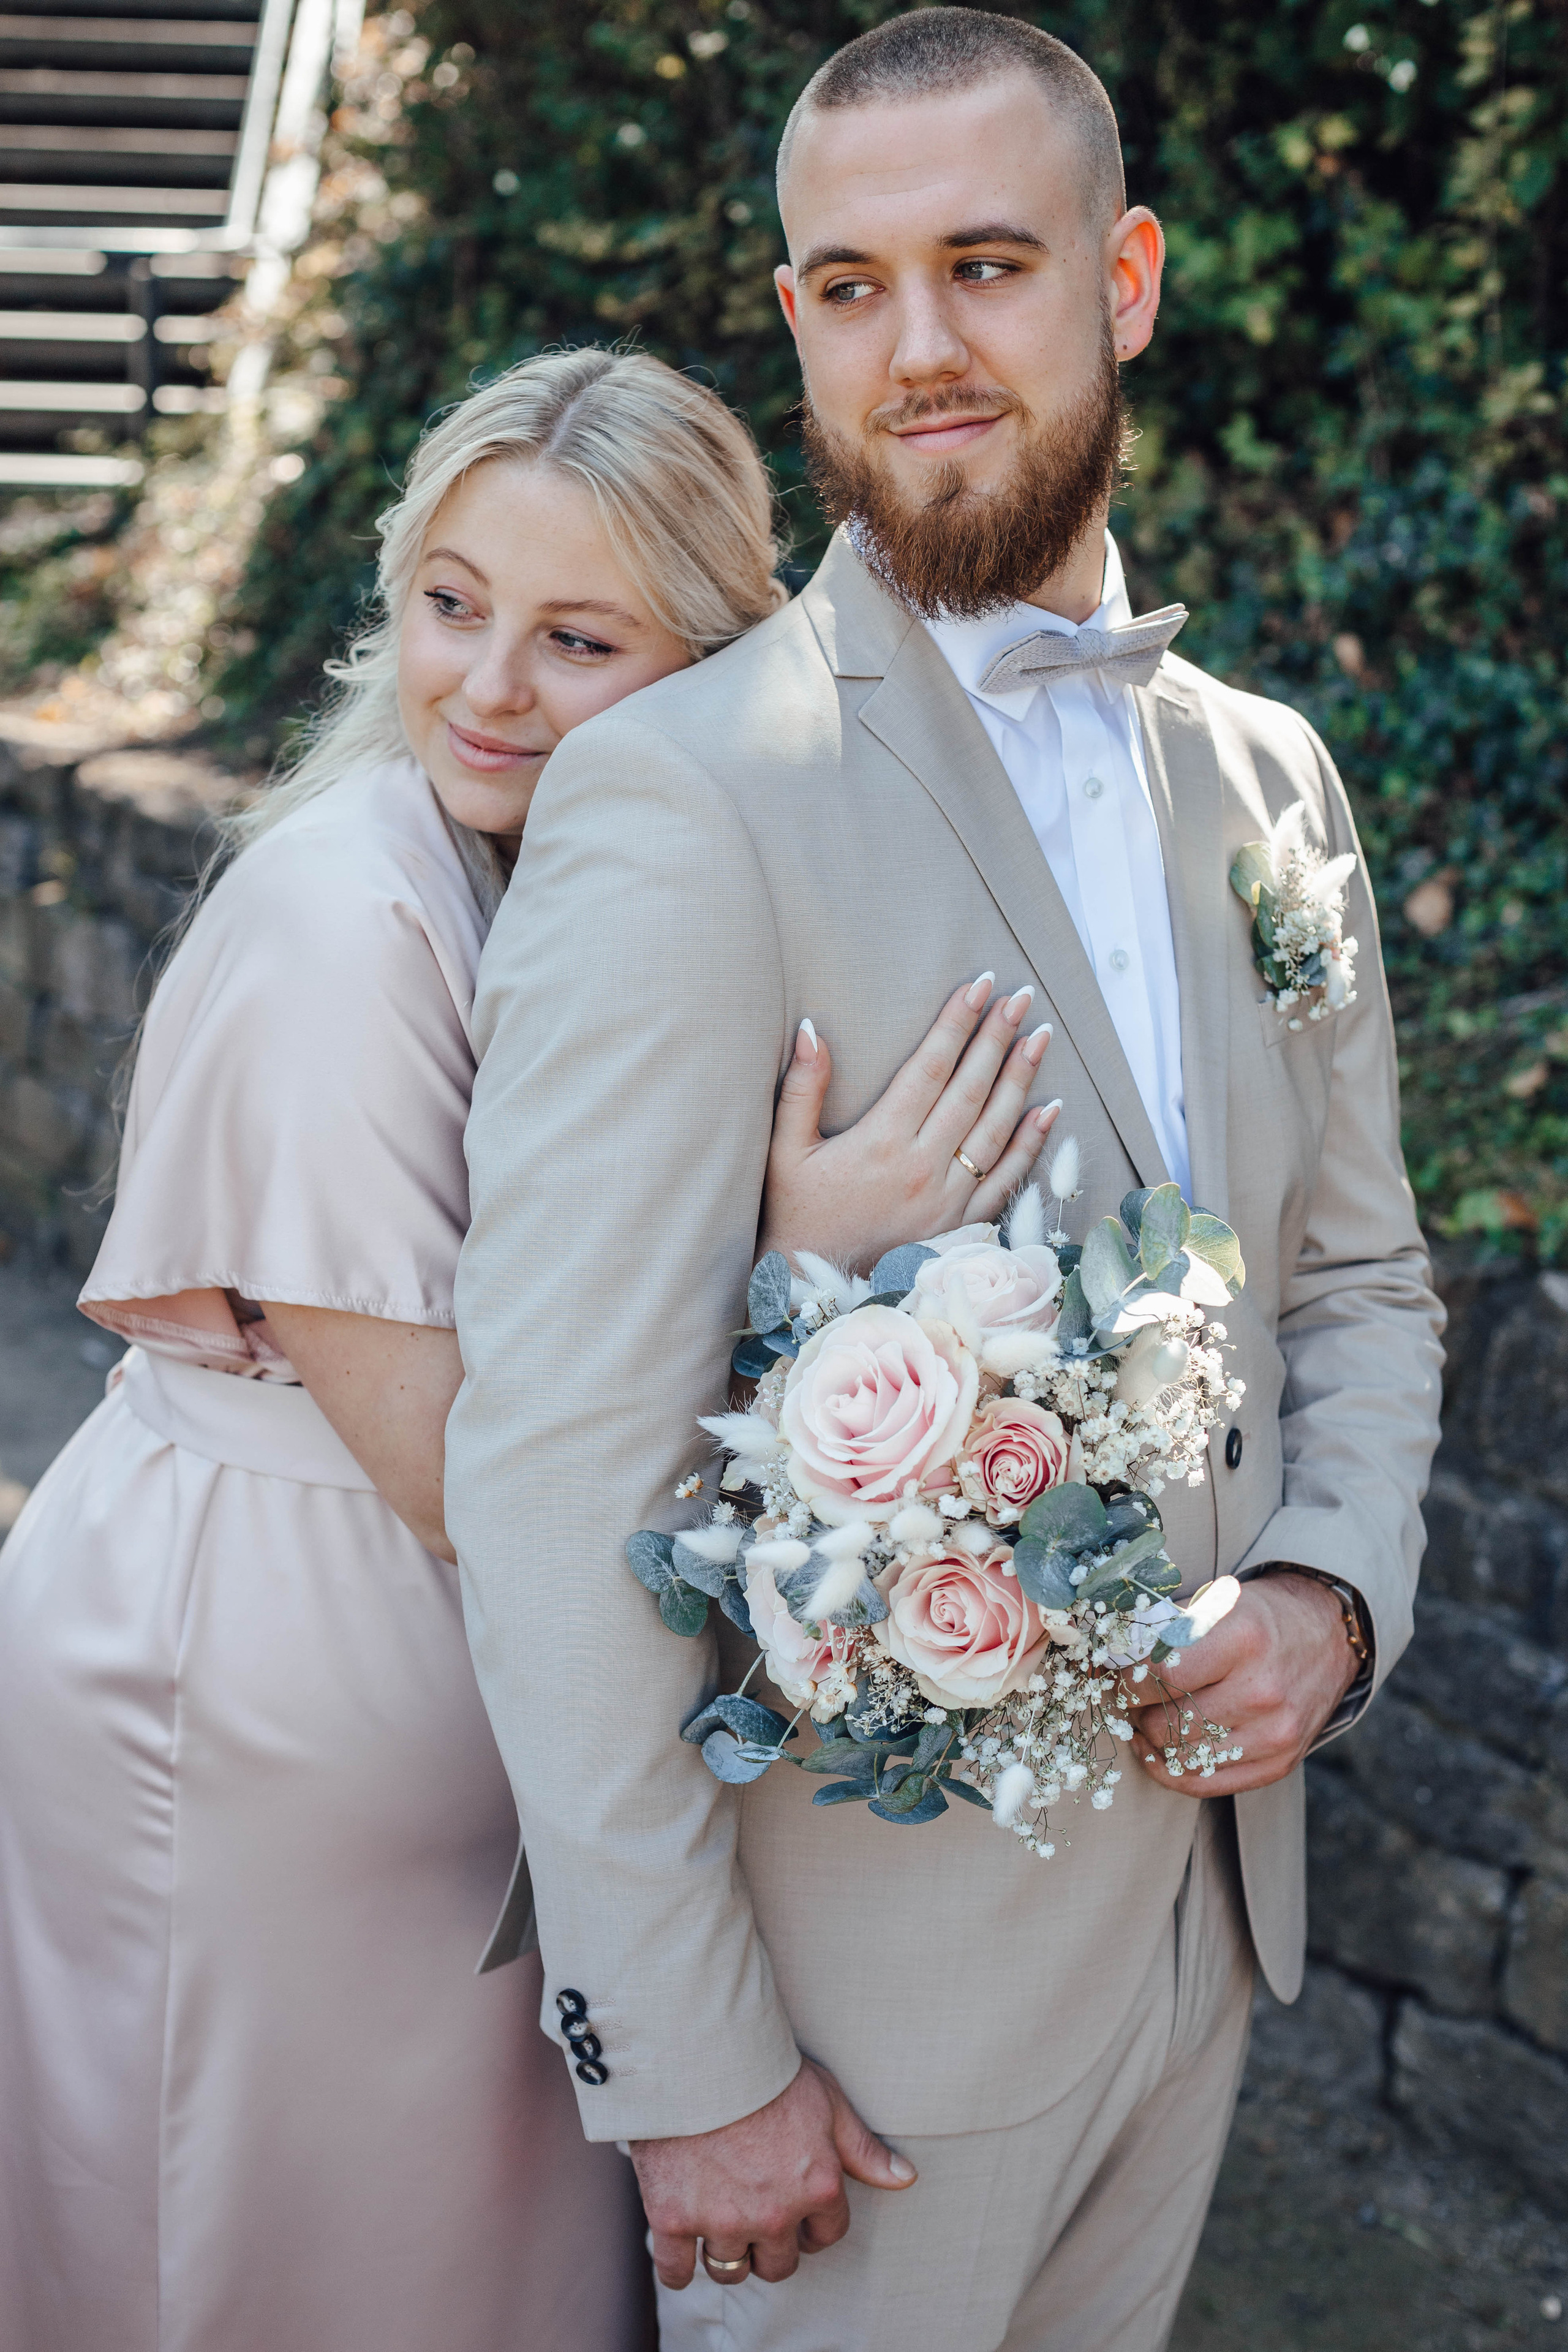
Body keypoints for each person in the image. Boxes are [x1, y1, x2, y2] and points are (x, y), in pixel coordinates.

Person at [447, 17, 1447, 2352]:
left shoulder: (1272, 782)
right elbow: (552, 1459)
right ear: (791, 315)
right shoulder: (683, 799)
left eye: (985, 266)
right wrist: (685, 2062)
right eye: (848, 285)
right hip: (857, 2025)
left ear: (1126, 276)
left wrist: (1332, 1596)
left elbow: (1367, 1281)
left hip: (1203, 1948)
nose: (918, 349)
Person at [0, 346, 1056, 2352]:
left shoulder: (581, 891)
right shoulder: (339, 920)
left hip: (471, 1709)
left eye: (576, 638)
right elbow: (457, 1468)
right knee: (267, 2261)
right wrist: (792, 1253)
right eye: (450, 604)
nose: (484, 687)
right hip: (262, 1687)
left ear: (702, 660)